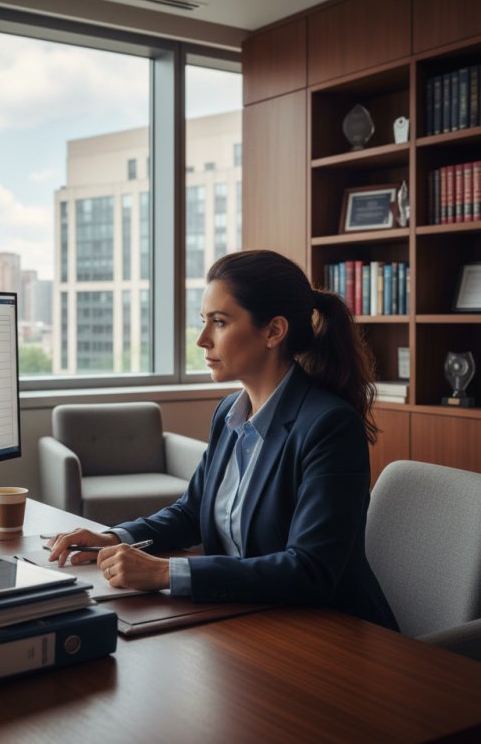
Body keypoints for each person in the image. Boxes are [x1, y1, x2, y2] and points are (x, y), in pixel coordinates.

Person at [48, 250, 398, 630]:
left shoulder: (329, 426)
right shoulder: (229, 411)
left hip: (331, 630)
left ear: (273, 331)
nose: (202, 340)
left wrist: (166, 572)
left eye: (219, 322)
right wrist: (113, 537)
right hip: (248, 618)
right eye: (204, 321)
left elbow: (310, 569)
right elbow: (191, 512)